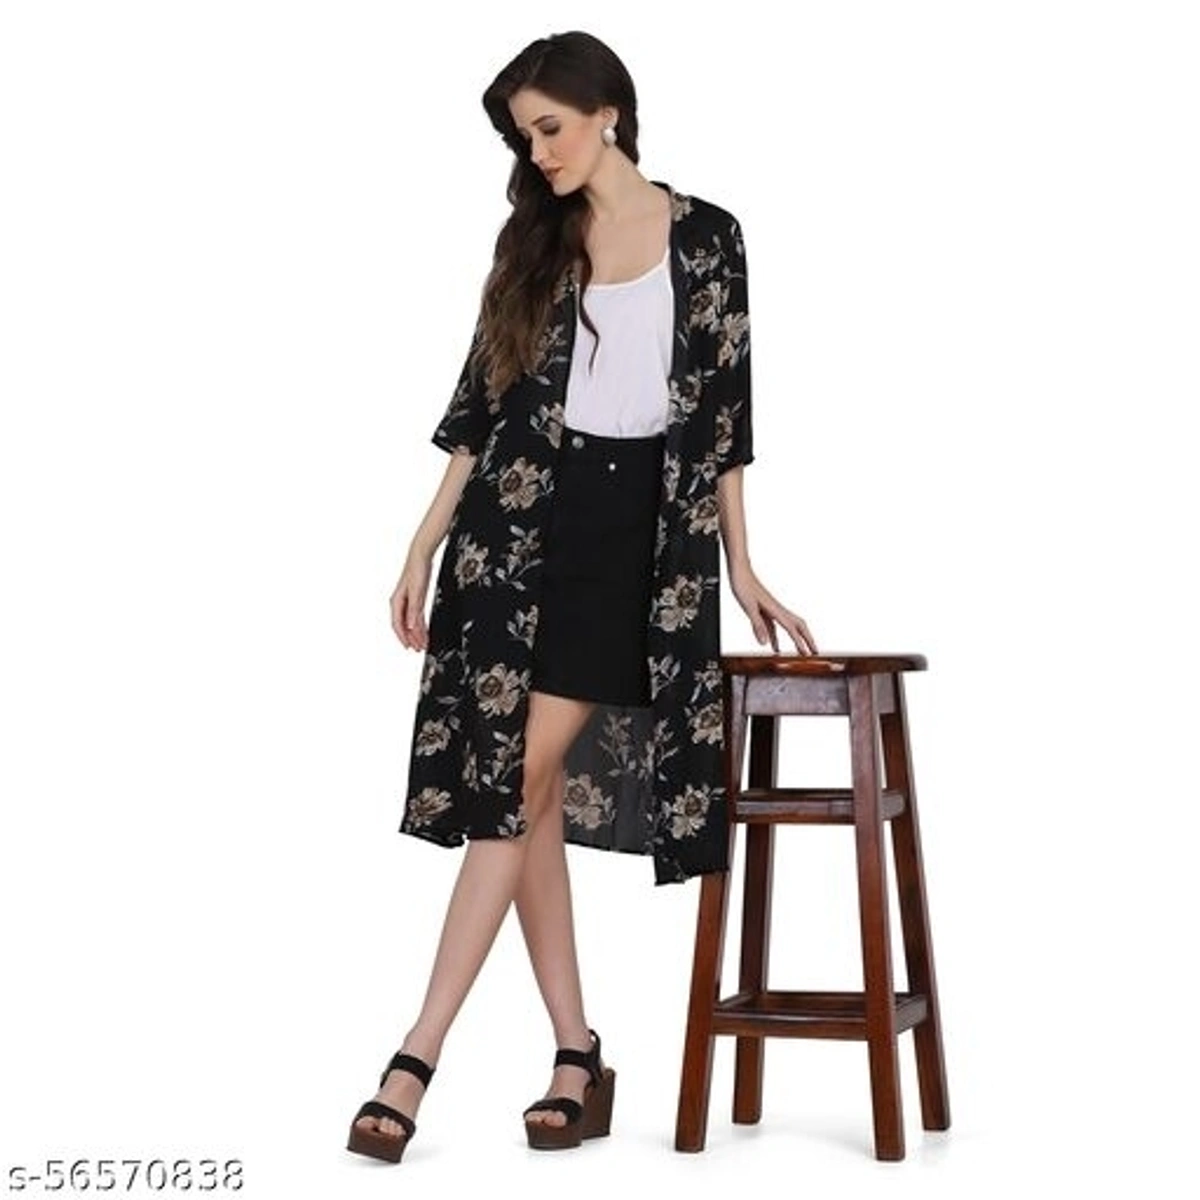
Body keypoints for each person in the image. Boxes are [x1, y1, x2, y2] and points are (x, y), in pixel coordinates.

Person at [346, 29, 817, 1164]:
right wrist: (422, 542)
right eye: (524, 138)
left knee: (514, 781)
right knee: (534, 794)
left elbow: (725, 417)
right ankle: (577, 1056)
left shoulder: (709, 237)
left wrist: (739, 562)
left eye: (550, 128)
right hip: (515, 536)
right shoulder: (536, 241)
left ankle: (414, 1057)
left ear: (609, 111)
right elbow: (480, 404)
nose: (539, 153)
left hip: (638, 540)